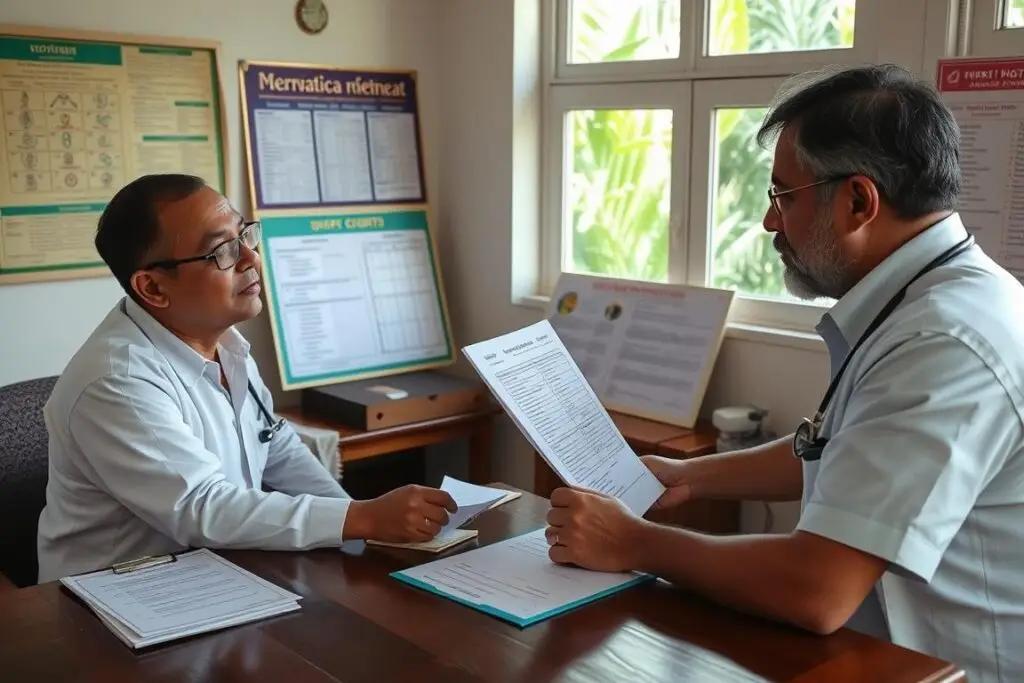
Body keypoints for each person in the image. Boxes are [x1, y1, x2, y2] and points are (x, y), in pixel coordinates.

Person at [544, 64, 1024, 681]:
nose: (771, 223)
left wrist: (632, 542)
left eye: (783, 197)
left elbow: (816, 590)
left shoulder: (943, 341)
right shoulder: (936, 297)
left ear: (858, 201)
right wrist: (689, 477)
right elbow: (846, 450)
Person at [36, 174, 457, 583]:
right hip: (114, 602)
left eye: (245, 236)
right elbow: (201, 506)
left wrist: (363, 523)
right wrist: (361, 518)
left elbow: (273, 444)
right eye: (222, 251)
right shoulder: (116, 381)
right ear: (153, 288)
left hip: (215, 573)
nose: (251, 259)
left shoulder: (225, 344)